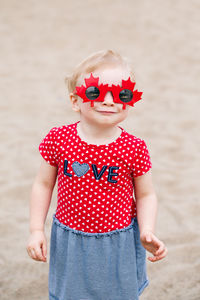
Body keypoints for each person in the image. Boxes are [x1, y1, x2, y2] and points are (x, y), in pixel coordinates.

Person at [26, 50, 167, 300]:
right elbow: (43, 184)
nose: (110, 101)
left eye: (122, 94)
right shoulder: (59, 139)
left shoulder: (133, 147)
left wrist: (147, 229)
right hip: (71, 238)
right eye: (96, 93)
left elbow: (146, 194)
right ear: (75, 100)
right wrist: (36, 229)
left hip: (117, 240)